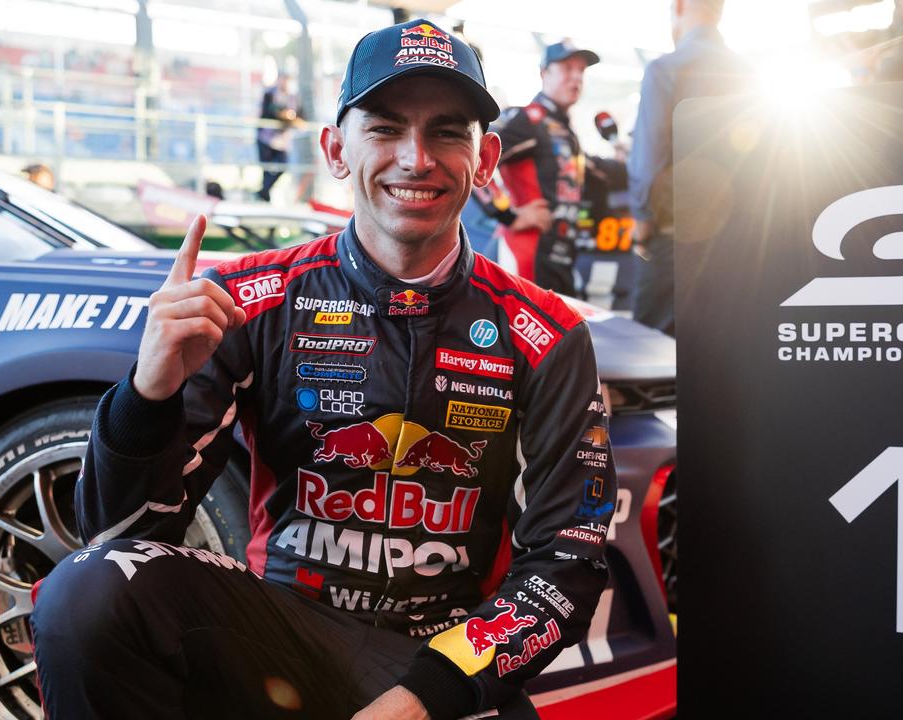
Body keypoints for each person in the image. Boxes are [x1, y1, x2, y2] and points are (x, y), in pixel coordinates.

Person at [31, 17, 615, 720]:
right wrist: (146, 395)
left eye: (447, 133)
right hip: (280, 635)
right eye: (386, 128)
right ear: (337, 149)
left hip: (441, 666)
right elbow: (118, 539)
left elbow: (568, 567)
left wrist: (418, 701)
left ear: (486, 158)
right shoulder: (251, 301)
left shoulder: (546, 334)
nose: (415, 157)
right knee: (85, 589)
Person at [627, 0, 750, 336]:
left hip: (674, 237)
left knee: (646, 352)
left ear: (678, 6)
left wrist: (642, 221)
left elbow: (650, 151)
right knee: (724, 344)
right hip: (741, 242)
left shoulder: (666, 69)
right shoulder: (749, 74)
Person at [476, 40, 603, 297]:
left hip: (560, 259)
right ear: (544, 73)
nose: (576, 77)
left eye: (581, 71)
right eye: (567, 68)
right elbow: (472, 158)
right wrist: (509, 215)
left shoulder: (566, 130)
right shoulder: (527, 119)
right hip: (524, 255)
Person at [256, 72, 303, 202]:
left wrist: (291, 118)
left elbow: (299, 114)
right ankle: (264, 195)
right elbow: (268, 112)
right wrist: (282, 114)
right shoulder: (269, 94)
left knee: (283, 166)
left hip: (282, 139)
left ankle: (263, 193)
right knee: (266, 170)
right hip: (265, 137)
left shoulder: (293, 97)